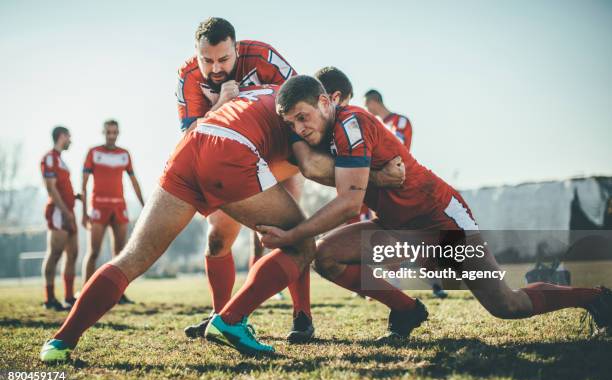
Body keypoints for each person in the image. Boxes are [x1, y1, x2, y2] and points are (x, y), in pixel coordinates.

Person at [39, 85, 405, 361]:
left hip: (190, 145)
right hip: (228, 152)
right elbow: (311, 167)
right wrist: (374, 177)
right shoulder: (300, 107)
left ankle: (60, 342)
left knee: (134, 255)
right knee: (302, 244)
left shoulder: (267, 92)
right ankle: (230, 319)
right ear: (327, 99)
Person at [255, 75, 611, 344]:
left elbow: (349, 201)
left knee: (506, 304)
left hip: (440, 218)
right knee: (327, 257)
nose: (300, 129)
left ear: (325, 101)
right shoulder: (325, 135)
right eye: (292, 125)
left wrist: (292, 234)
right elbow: (327, 174)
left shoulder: (351, 122)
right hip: (397, 226)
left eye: (303, 118)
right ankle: (407, 311)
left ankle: (595, 297)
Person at [177, 17, 309, 341]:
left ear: (237, 48)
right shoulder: (188, 76)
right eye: (207, 60)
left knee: (291, 232)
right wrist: (221, 104)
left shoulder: (263, 58)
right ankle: (219, 317)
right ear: (196, 54)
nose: (216, 67)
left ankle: (302, 316)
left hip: (279, 153)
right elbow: (190, 141)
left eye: (224, 58)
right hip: (233, 162)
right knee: (217, 237)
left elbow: (302, 106)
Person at [316, 67, 448, 300]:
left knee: (409, 236)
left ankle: (434, 280)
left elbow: (395, 149)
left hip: (397, 184)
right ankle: (380, 283)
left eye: (367, 105)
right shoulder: (356, 123)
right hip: (370, 183)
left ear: (374, 102)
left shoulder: (396, 121)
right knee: (368, 232)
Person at [81, 119, 144, 304]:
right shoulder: (93, 153)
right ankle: (85, 293)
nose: (111, 136)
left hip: (119, 207)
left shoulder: (124, 154)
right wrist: (83, 212)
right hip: (98, 206)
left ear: (118, 133)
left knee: (120, 254)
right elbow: (83, 185)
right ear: (103, 132)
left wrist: (144, 206)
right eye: (108, 132)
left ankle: (118, 294)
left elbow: (134, 182)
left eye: (114, 132)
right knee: (94, 252)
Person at [40, 126, 78, 311]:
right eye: (69, 136)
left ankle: (69, 297)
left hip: (69, 211)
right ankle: (49, 299)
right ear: (62, 136)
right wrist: (64, 211)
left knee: (73, 253)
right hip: (58, 211)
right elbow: (50, 188)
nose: (71, 139)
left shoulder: (61, 160)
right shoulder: (49, 157)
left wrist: (75, 196)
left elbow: (62, 186)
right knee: (55, 254)